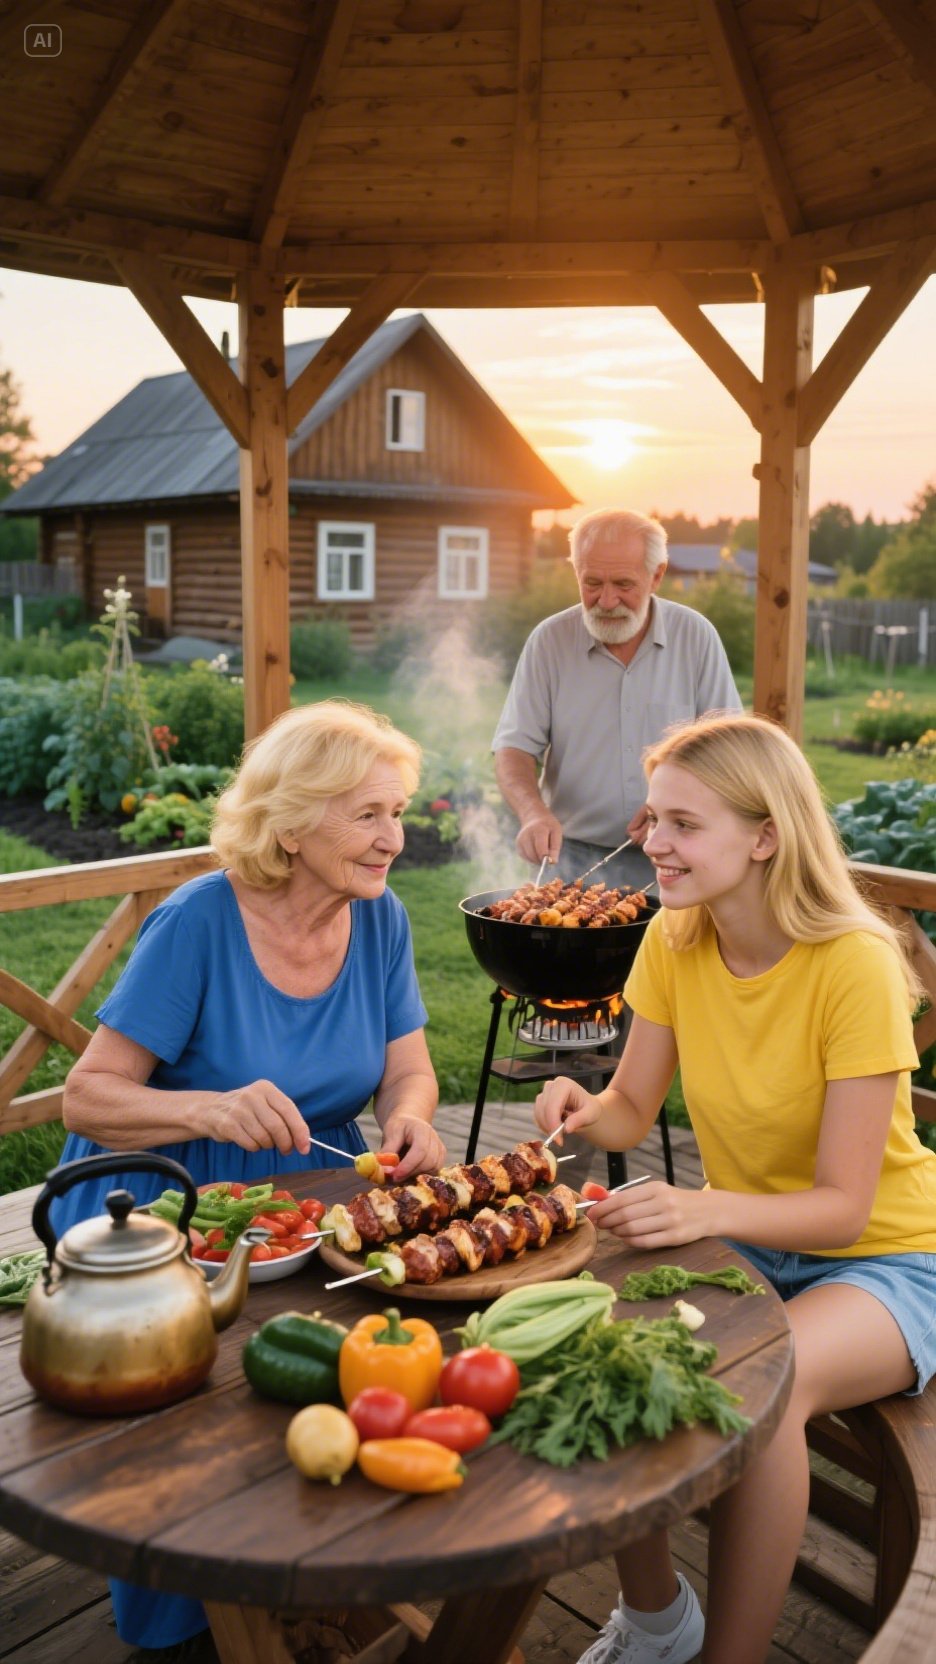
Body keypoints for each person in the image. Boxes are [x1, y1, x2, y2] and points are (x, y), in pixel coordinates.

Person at [534, 713, 936, 1664]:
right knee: (610, 1345)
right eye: (652, 819)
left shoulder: (856, 965)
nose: (653, 844)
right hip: (750, 1242)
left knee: (772, 1378)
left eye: (683, 824)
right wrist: (586, 1107)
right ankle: (658, 1621)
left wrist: (702, 1207)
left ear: (765, 836)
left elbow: (842, 1203)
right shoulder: (675, 940)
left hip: (888, 1257)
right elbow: (634, 1105)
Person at [57, 698, 445, 1660]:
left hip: (313, 1192)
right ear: (294, 818)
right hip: (169, 1192)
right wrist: (211, 1107)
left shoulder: (379, 915)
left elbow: (410, 1068)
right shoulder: (200, 920)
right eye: (368, 815)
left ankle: (326, 1562)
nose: (394, 838)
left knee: (367, 1361)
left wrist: (412, 1118)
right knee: (202, 1411)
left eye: (398, 812)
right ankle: (193, 1612)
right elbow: (87, 1096)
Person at [492, 509, 741, 892]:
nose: (606, 600)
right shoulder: (549, 642)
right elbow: (514, 747)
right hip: (568, 857)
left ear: (657, 575)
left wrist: (672, 806)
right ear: (576, 572)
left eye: (624, 583)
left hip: (676, 854)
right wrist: (532, 813)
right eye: (592, 582)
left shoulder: (696, 636)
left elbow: (729, 749)